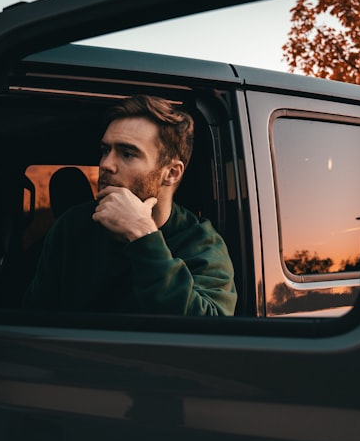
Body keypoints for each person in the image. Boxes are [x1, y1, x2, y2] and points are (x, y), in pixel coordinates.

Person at [23, 95, 237, 316]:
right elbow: (35, 319)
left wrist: (144, 237)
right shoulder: (72, 226)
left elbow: (208, 333)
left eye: (127, 153)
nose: (105, 164)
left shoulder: (200, 243)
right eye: (105, 150)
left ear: (171, 173)